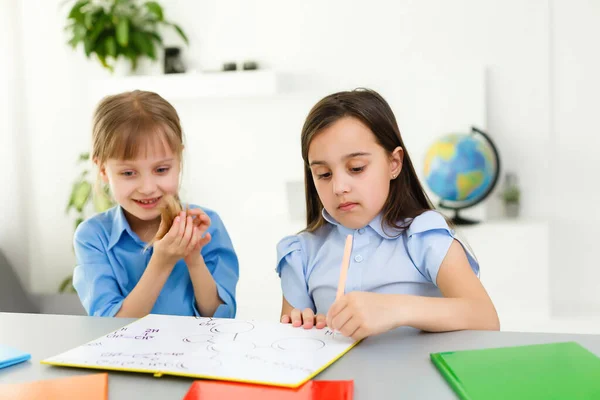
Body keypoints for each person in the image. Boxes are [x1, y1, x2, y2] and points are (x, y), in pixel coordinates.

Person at [277, 88, 499, 339]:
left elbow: (485, 317)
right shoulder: (302, 253)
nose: (339, 187)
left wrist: (395, 308)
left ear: (394, 163)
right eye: (324, 174)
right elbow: (290, 347)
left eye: (357, 168)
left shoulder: (424, 236)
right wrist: (304, 325)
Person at [73, 90, 239, 318]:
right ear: (103, 170)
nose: (148, 187)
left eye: (161, 170)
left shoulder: (207, 225)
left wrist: (193, 258)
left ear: (179, 161)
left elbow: (221, 318)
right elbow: (111, 327)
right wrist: (162, 262)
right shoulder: (93, 237)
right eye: (129, 173)